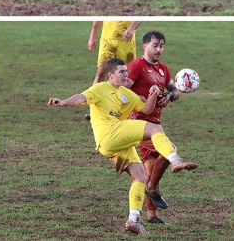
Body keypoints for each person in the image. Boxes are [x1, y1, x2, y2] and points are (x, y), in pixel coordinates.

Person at [48, 58, 198, 236]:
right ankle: (174, 159)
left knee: (141, 177)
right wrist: (64, 101)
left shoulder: (127, 94)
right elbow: (81, 97)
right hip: (109, 134)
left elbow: (147, 111)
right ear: (110, 75)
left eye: (126, 71)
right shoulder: (100, 89)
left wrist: (152, 95)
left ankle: (133, 220)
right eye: (121, 72)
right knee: (155, 129)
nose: (126, 74)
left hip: (113, 144)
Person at [126, 31, 181, 226]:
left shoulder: (163, 69)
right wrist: (135, 101)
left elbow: (175, 90)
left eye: (162, 46)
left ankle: (150, 215)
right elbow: (122, 90)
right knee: (170, 151)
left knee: (151, 167)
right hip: (141, 124)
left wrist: (169, 97)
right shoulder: (137, 66)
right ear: (145, 46)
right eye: (155, 45)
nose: (159, 49)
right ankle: (151, 189)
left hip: (155, 123)